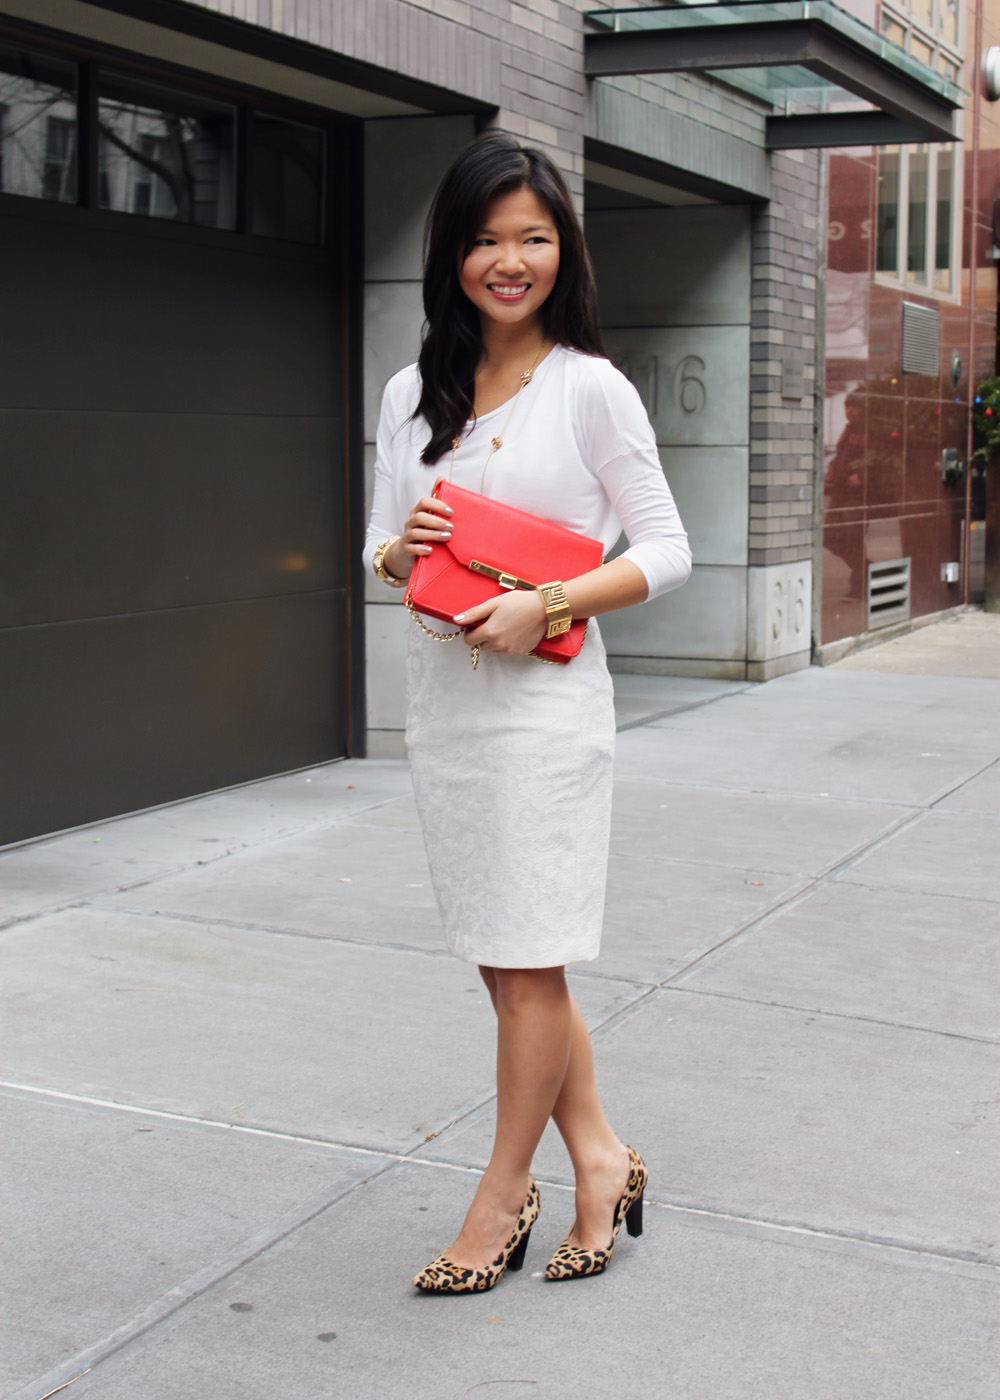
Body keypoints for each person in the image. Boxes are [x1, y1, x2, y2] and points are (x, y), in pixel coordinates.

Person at [364, 133, 692, 1293]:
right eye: (487, 240)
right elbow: (383, 547)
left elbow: (666, 549)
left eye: (533, 239)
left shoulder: (588, 386)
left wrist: (545, 598)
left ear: (565, 252)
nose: (511, 262)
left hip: (544, 704)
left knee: (528, 954)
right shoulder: (413, 388)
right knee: (513, 962)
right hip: (447, 703)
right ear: (452, 253)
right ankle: (601, 1156)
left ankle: (501, 1196)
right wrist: (398, 549)